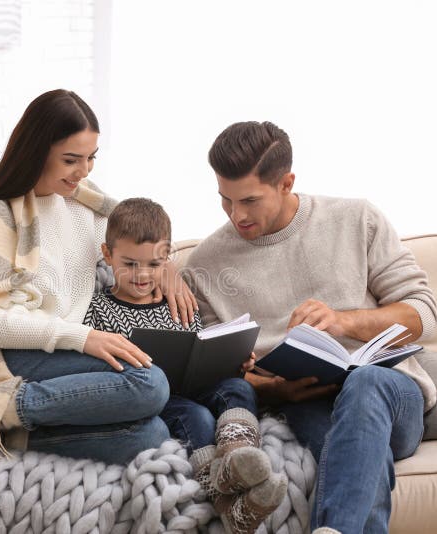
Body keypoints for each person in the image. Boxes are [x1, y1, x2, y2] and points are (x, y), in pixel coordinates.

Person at [0, 89, 199, 466]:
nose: (83, 171)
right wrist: (82, 338)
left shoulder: (84, 203)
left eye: (91, 157)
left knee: (151, 434)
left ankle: (4, 430)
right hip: (17, 350)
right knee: (150, 383)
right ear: (36, 151)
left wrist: (168, 266)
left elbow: (134, 237)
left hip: (65, 349)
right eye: (70, 160)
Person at [182, 121, 437, 534]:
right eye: (225, 200)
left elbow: (422, 313)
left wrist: (344, 320)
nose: (236, 215)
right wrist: (273, 389)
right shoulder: (204, 265)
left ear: (286, 183)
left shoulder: (356, 219)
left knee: (367, 382)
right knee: (353, 469)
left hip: (390, 396)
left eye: (249, 200)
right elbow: (220, 371)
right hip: (304, 405)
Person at [83, 197, 288, 533]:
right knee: (197, 415)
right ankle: (228, 505)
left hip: (196, 384)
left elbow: (200, 348)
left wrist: (234, 362)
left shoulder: (179, 304)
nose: (142, 275)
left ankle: (239, 458)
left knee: (237, 386)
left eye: (153, 265)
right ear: (107, 255)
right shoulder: (98, 309)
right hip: (156, 400)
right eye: (130, 264)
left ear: (167, 259)